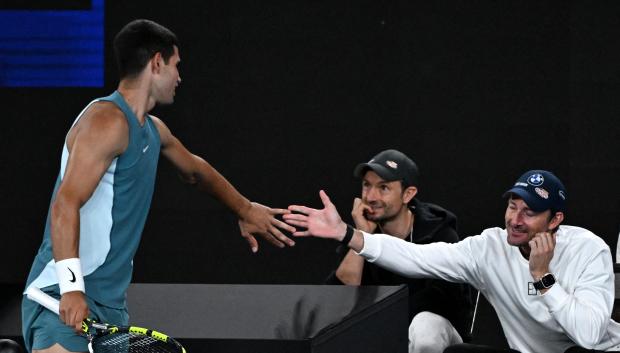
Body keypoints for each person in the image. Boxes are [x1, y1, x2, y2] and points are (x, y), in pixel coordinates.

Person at [21, 19, 296, 353]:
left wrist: (245, 209)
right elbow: (65, 204)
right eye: (176, 66)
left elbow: (196, 171)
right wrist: (72, 288)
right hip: (60, 297)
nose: (179, 77)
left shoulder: (154, 131)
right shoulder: (106, 121)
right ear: (156, 63)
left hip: (109, 307)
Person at [284, 170, 620, 353]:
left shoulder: (588, 250)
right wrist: (347, 234)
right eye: (512, 207)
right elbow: (417, 257)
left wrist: (543, 277)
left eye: (530, 212)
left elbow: (589, 337)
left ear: (555, 219)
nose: (515, 219)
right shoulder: (488, 248)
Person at [324, 149, 472, 353]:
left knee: (425, 327)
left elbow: (441, 304)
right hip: (385, 335)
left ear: (408, 194)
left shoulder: (439, 234)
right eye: (367, 185)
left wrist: (374, 318)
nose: (370, 197)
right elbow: (335, 301)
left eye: (383, 187)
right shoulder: (364, 234)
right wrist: (361, 235)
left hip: (442, 341)